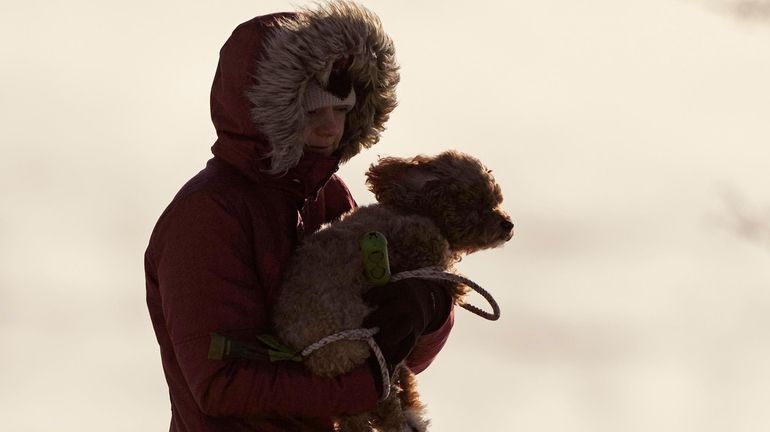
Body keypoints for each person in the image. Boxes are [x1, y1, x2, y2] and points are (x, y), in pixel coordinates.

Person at [144, 1, 454, 431]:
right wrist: (366, 385)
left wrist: (431, 307)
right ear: (268, 112)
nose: (331, 128)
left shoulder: (328, 198)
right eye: (312, 112)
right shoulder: (206, 217)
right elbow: (220, 386)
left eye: (342, 110)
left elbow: (396, 358)